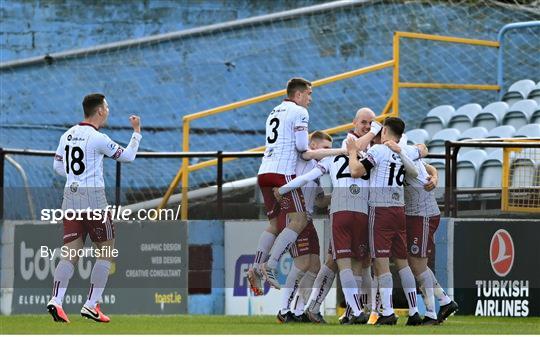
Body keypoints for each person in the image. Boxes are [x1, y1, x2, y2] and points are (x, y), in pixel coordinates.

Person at [275, 118, 383, 324]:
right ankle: (353, 311)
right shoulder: (369, 156)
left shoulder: (333, 158)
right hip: (361, 212)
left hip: (341, 212)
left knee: (340, 261)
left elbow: (309, 172)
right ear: (354, 128)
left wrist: (283, 189)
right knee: (354, 263)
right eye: (364, 123)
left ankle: (330, 309)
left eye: (371, 124)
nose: (368, 127)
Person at [47, 93, 142, 323]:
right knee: (106, 250)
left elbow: (57, 166)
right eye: (107, 107)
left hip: (70, 198)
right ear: (99, 110)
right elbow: (128, 156)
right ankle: (91, 305)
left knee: (71, 252)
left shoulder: (67, 134)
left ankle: (56, 300)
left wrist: (76, 175)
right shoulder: (98, 138)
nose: (108, 110)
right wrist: (137, 132)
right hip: (93, 200)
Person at [249, 78, 343, 293]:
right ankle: (270, 265)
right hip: (282, 173)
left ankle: (255, 267)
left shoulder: (274, 111)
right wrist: (339, 152)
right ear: (298, 94)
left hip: (264, 172)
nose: (310, 99)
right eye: (309, 94)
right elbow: (303, 148)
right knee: (299, 220)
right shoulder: (300, 112)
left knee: (273, 224)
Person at [346, 117, 424, 326]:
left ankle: (388, 312)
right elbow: (422, 151)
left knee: (380, 262)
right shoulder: (403, 152)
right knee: (402, 262)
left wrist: (353, 152)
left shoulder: (378, 151)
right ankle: (414, 312)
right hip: (399, 209)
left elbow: (356, 171)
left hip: (380, 211)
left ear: (385, 131)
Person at [386, 141, 459, 324]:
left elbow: (424, 161)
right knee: (415, 263)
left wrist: (434, 177)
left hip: (423, 214)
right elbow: (426, 164)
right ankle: (445, 301)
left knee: (418, 265)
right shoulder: (394, 154)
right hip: (413, 214)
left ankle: (431, 313)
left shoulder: (401, 153)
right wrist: (433, 174)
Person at [277, 131, 337, 323]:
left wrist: (341, 197)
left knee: (314, 266)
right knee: (302, 264)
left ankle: (298, 310)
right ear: (312, 145)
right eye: (325, 148)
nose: (329, 152)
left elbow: (319, 200)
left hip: (307, 219)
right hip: (295, 216)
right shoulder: (302, 161)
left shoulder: (317, 167)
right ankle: (284, 310)